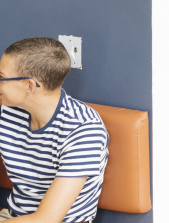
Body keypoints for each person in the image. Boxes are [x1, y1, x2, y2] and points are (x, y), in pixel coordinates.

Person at [0, 38, 108, 223]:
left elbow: (47, 219)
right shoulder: (8, 110)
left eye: (2, 78)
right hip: (12, 216)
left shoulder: (83, 129)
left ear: (29, 86)